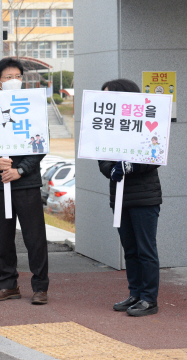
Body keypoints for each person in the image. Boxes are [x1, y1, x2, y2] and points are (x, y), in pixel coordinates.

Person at [0, 58, 50, 305]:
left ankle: (40, 287)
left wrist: (21, 170)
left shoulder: (33, 106)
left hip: (26, 183)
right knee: (3, 238)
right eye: (8, 77)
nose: (14, 81)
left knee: (35, 238)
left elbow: (41, 144)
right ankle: (8, 285)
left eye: (17, 76)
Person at [98, 78, 162, 317]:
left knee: (146, 250)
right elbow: (102, 160)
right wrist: (112, 168)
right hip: (120, 198)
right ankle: (135, 293)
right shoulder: (105, 127)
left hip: (145, 197)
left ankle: (149, 299)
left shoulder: (148, 123)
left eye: (110, 96)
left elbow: (155, 157)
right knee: (130, 250)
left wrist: (130, 167)